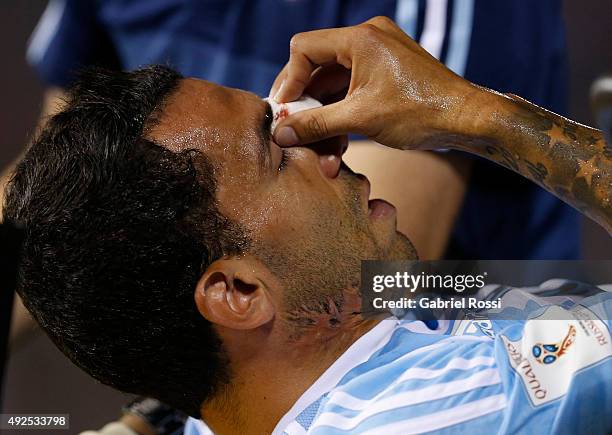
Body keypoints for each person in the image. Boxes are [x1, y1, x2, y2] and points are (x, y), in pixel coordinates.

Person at [3, 18, 610, 435]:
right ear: (236, 293)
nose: (331, 147)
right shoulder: (461, 407)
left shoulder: (303, 355)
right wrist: (477, 114)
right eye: (276, 152)